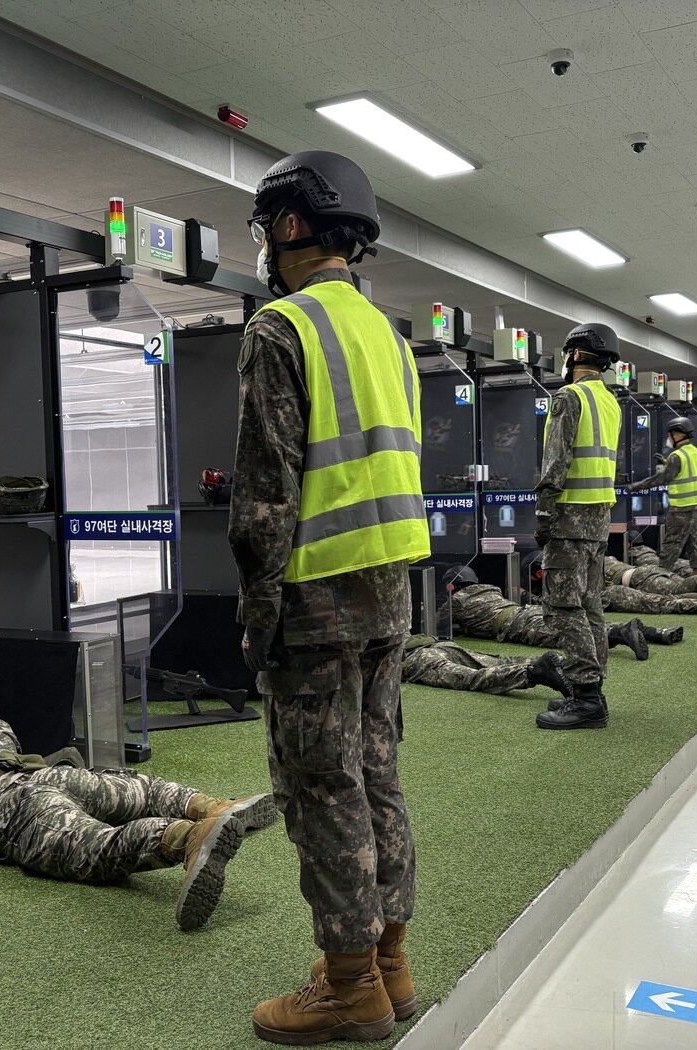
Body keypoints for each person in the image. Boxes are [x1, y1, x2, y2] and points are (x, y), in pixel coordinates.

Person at [228, 150, 429, 1045]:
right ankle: (388, 963)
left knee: (321, 788)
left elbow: (266, 495)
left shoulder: (281, 329)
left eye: (270, 226)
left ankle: (348, 989)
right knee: (378, 772)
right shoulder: (388, 335)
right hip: (392, 591)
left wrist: (256, 616)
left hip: (315, 596)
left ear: (292, 226)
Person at [0, 657, 272, 931]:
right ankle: (214, 806)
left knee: (97, 847)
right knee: (137, 789)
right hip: (49, 776)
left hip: (8, 808)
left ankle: (186, 839)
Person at [533, 323, 623, 730]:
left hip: (570, 517)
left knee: (564, 607)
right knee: (589, 604)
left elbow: (556, 462)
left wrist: (543, 513)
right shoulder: (609, 401)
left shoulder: (569, 398)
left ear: (575, 355)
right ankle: (592, 687)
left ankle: (587, 697)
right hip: (599, 517)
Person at [449, 574, 658, 660]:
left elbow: (437, 622)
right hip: (524, 612)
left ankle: (622, 633)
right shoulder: (489, 588)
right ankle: (644, 631)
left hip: (516, 624)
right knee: (572, 625)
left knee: (567, 636)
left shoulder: (456, 601)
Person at [628, 416, 697, 573]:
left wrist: (635, 486)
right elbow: (686, 472)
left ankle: (662, 578)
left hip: (681, 508)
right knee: (696, 543)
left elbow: (661, 478)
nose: (668, 438)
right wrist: (666, 463)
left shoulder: (676, 456)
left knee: (672, 544)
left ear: (678, 435)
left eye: (670, 434)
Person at [402, 634, 570, 700]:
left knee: (470, 678)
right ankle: (563, 664)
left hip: (416, 658)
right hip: (437, 644)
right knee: (497, 661)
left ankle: (534, 673)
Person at [603, 555, 697, 600]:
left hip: (638, 578)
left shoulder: (593, 569)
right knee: (686, 586)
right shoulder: (607, 558)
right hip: (647, 570)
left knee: (677, 590)